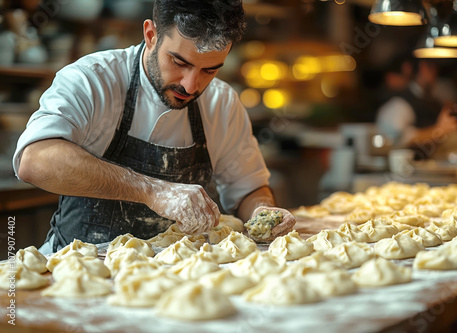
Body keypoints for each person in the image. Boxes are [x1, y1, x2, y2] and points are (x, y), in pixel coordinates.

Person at [13, 0, 295, 253]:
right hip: (78, 271)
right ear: (150, 35)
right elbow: (35, 159)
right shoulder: (92, 80)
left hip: (176, 281)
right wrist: (153, 191)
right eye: (179, 62)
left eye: (210, 70)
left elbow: (248, 189)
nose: (190, 85)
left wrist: (264, 214)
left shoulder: (222, 103)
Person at [376, 59, 457, 160]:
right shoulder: (400, 103)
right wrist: (439, 130)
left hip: (433, 167)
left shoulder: (434, 101)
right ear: (423, 68)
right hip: (407, 170)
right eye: (431, 68)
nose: (435, 73)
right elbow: (399, 138)